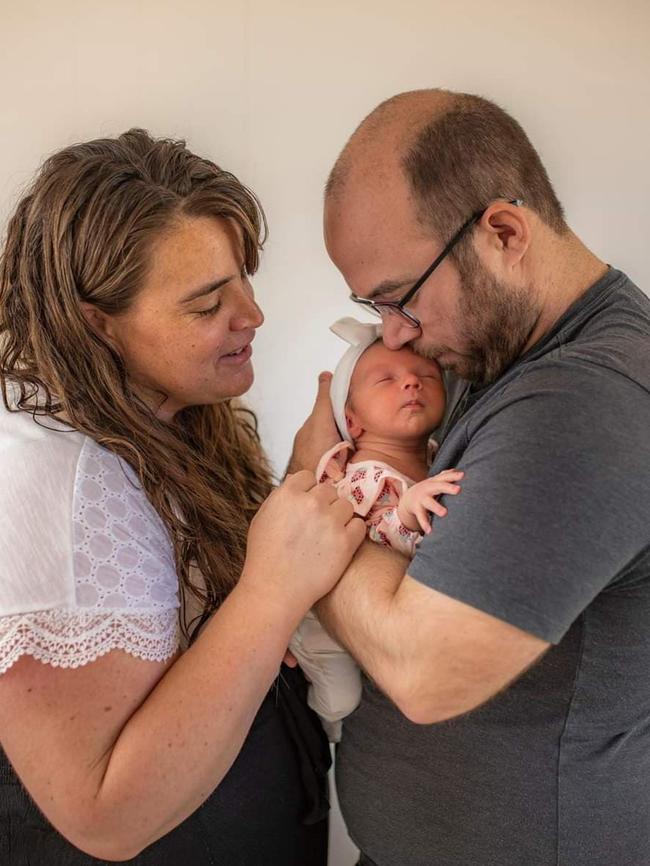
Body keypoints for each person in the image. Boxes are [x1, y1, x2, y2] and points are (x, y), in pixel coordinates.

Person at [291, 89, 650, 866]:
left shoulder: (583, 396)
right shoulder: (497, 356)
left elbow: (423, 670)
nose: (392, 335)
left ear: (503, 232)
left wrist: (306, 509)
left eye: (398, 299)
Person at [0, 129, 365, 865]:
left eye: (243, 279)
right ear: (96, 324)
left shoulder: (167, 418)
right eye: (206, 305)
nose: (252, 315)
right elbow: (103, 815)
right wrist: (273, 588)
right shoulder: (49, 478)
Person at [290, 317, 463, 740]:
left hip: (381, 622)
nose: (411, 384)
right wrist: (404, 513)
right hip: (320, 625)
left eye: (425, 375)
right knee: (341, 699)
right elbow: (362, 534)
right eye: (386, 379)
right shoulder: (364, 475)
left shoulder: (437, 456)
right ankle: (317, 718)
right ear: (352, 421)